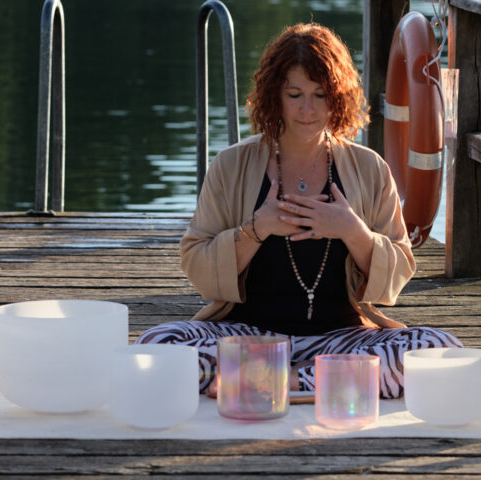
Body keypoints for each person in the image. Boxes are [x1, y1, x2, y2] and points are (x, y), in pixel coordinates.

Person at [135, 23, 461, 398]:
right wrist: (256, 229)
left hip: (342, 341)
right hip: (248, 339)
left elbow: (398, 275)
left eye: (321, 95)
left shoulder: (370, 168)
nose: (308, 110)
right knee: (158, 341)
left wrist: (351, 230)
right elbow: (198, 266)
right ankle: (312, 382)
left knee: (439, 347)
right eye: (295, 94)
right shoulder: (230, 164)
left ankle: (282, 381)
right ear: (274, 95)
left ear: (338, 97)